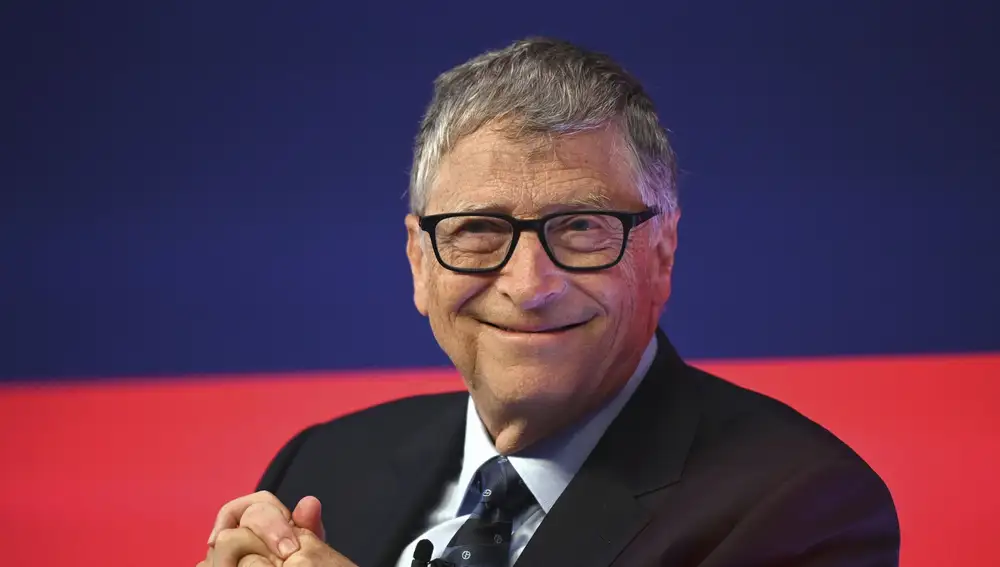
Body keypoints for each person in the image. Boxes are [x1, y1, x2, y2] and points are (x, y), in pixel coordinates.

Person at [197, 37, 900, 567]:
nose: (530, 286)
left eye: (582, 227)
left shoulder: (802, 506)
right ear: (419, 260)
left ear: (662, 252)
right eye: (479, 228)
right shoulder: (323, 466)